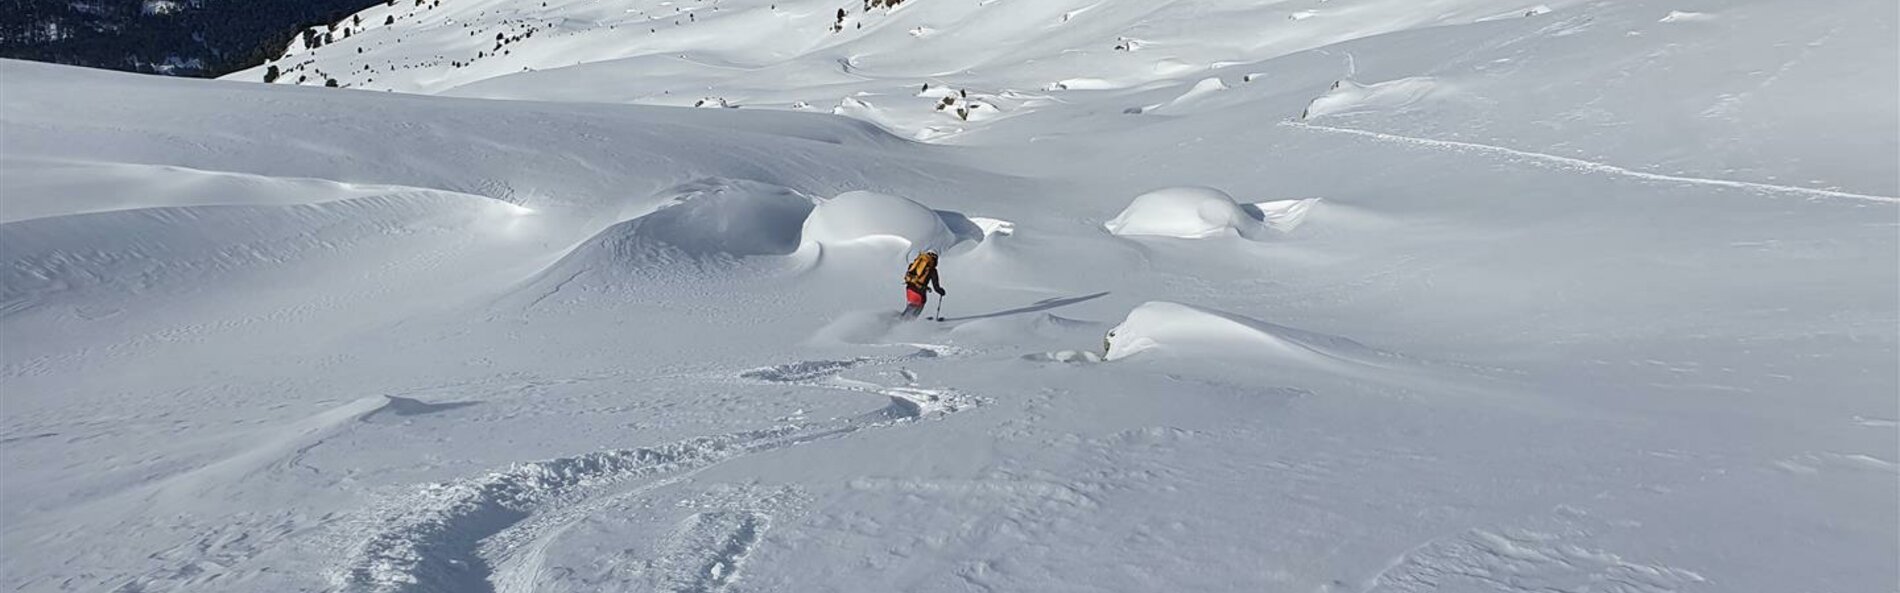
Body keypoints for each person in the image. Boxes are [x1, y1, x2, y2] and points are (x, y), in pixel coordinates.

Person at [901, 250, 946, 319]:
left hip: (909, 290)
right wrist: (941, 291)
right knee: (914, 313)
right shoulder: (932, 270)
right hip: (919, 294)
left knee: (909, 309)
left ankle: (897, 321)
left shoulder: (915, 264)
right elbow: (936, 287)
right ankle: (905, 325)